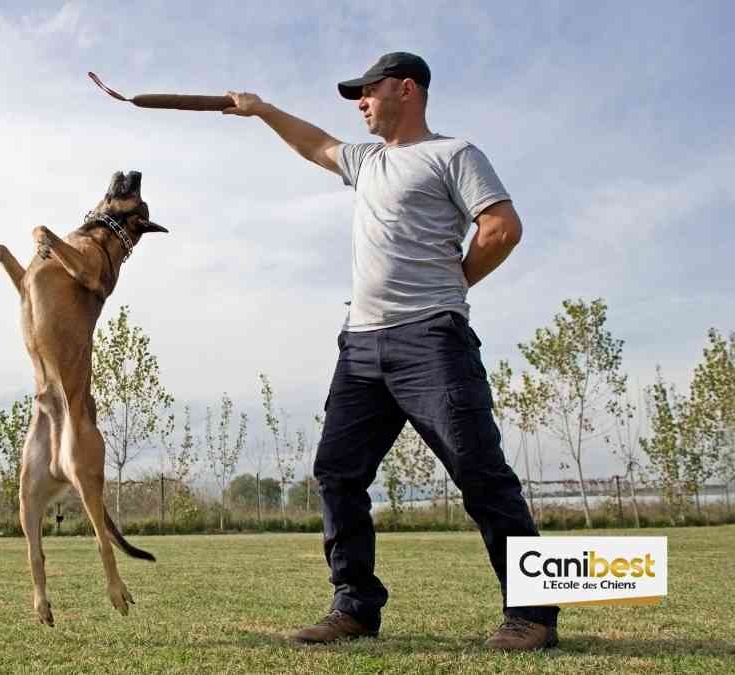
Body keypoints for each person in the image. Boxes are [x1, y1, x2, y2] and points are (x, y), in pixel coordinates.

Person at [223, 52, 560, 651]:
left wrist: (453, 284)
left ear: (407, 90)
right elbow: (315, 145)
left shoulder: (453, 154)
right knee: (336, 472)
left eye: (368, 91)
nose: (360, 103)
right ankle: (353, 607)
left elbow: (502, 227)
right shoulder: (368, 161)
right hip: (359, 347)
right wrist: (263, 111)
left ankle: (532, 615)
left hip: (432, 339)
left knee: (479, 471)